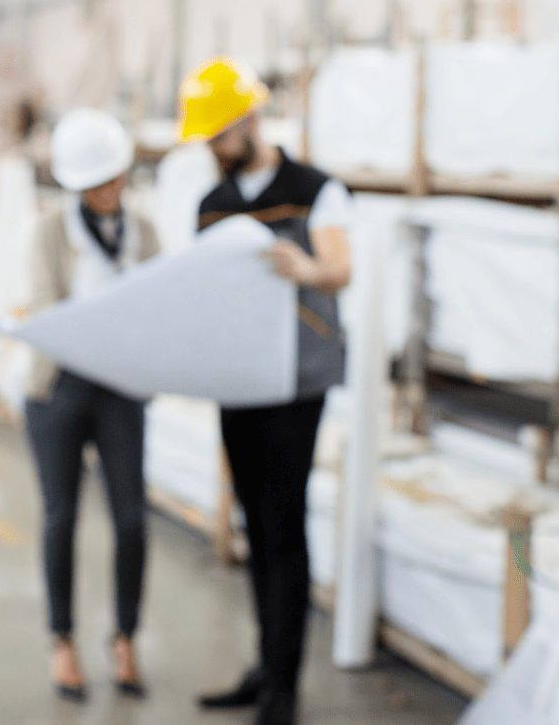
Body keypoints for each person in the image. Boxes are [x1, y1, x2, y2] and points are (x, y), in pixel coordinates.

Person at [183, 59, 351, 725]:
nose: (214, 149)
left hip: (295, 384)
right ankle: (265, 664)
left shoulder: (315, 190)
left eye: (220, 135)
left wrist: (305, 266)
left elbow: (341, 269)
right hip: (240, 379)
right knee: (256, 520)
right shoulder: (213, 202)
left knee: (285, 524)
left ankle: (285, 684)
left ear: (250, 120)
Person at [24, 109, 160, 701]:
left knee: (131, 518)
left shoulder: (144, 233)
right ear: (75, 186)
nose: (109, 190)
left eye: (115, 178)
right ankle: (62, 643)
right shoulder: (51, 235)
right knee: (62, 518)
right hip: (60, 389)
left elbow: (159, 302)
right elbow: (51, 312)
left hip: (120, 390)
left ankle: (125, 638)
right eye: (95, 182)